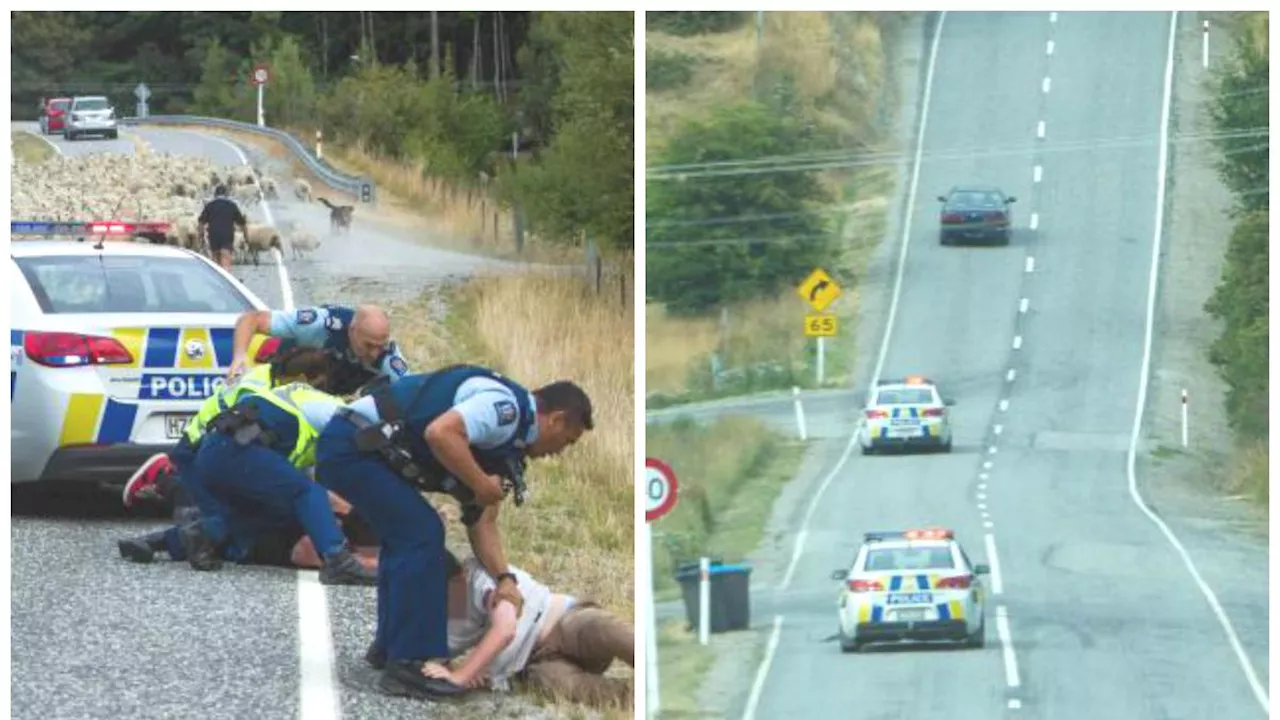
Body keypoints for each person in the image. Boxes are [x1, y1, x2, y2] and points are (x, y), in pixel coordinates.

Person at [314, 364, 594, 700]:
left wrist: (505, 579)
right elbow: (440, 432)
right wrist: (479, 484)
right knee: (422, 532)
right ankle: (408, 663)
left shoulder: (509, 447)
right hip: (352, 446)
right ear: (557, 419)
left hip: (358, 450)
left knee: (407, 534)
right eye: (567, 441)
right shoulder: (503, 409)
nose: (559, 452)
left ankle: (390, 649)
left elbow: (482, 522)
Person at [177, 378, 375, 585]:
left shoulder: (306, 400)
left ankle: (178, 538)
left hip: (215, 454)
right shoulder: (338, 411)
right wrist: (353, 514)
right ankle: (338, 562)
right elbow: (330, 488)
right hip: (235, 451)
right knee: (308, 492)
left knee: (259, 520)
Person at [120, 347, 332, 510]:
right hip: (199, 445)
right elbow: (243, 430)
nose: (318, 392)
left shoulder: (276, 379)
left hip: (219, 444)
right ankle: (164, 476)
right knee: (209, 512)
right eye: (318, 385)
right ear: (303, 379)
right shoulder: (255, 387)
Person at [419, 550, 633, 708]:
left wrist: (463, 674)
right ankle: (639, 698)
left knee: (602, 629)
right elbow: (426, 659)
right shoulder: (450, 620)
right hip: (535, 664)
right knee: (564, 686)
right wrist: (457, 670)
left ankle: (655, 663)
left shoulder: (481, 574)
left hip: (562, 620)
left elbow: (506, 628)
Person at [227, 303, 411, 397]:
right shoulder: (320, 324)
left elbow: (413, 391)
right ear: (352, 331)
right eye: (368, 345)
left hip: (336, 391)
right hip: (290, 371)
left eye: (380, 346)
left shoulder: (388, 357)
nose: (374, 353)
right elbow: (251, 319)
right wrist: (239, 356)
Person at [197, 184, 249, 272]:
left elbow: (201, 222)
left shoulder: (210, 205)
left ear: (215, 194)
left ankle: (216, 278)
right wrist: (246, 237)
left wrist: (201, 236)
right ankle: (226, 276)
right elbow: (242, 223)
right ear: (226, 194)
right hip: (227, 234)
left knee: (215, 257)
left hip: (213, 235)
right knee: (225, 256)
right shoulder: (232, 205)